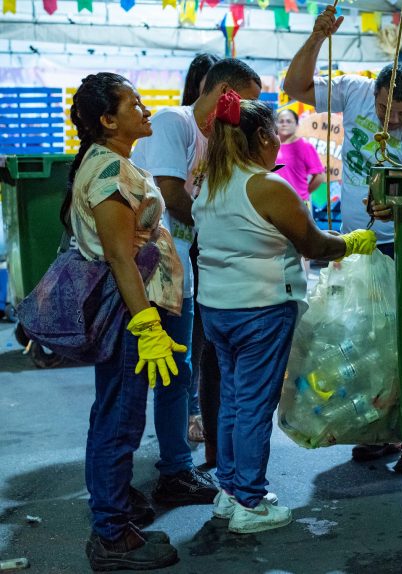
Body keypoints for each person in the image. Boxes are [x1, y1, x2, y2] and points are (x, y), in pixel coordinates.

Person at [193, 91, 376, 533]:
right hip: (261, 309)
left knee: (234, 401)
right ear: (259, 137)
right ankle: (252, 505)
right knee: (254, 405)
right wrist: (350, 241)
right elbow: (312, 245)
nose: (280, 142)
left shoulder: (208, 182)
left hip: (217, 309)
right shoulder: (266, 185)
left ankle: (231, 490)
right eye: (275, 134)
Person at [282, 4, 402, 467]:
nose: (390, 120)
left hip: (401, 245)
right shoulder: (352, 93)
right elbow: (294, 87)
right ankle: (374, 425)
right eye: (383, 109)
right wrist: (317, 37)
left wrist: (394, 204)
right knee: (357, 337)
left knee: (398, 339)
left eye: (401, 113)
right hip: (354, 241)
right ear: (371, 94)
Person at [60, 72, 183, 570]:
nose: (145, 110)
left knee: (110, 410)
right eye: (134, 104)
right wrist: (147, 326)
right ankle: (110, 535)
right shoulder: (110, 171)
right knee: (121, 419)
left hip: (128, 304)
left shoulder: (109, 161)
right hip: (129, 309)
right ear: (108, 120)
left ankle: (115, 510)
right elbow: (118, 255)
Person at [130, 58, 262, 510]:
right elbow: (170, 192)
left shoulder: (220, 140)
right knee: (139, 380)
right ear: (222, 91)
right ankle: (126, 484)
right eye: (243, 102)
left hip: (182, 275)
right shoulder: (176, 122)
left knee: (180, 374)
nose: (246, 114)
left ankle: (175, 470)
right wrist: (222, 231)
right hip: (147, 275)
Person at [180, 52, 220, 447]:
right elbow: (175, 192)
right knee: (194, 334)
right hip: (189, 241)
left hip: (215, 242)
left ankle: (207, 413)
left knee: (211, 337)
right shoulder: (182, 125)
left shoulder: (226, 131)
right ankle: (192, 411)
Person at [274, 108, 325, 204]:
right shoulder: (271, 145)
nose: (284, 124)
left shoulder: (304, 145)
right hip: (274, 201)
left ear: (297, 125)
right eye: (281, 121)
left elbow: (320, 176)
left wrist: (304, 194)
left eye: (289, 121)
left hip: (297, 203)